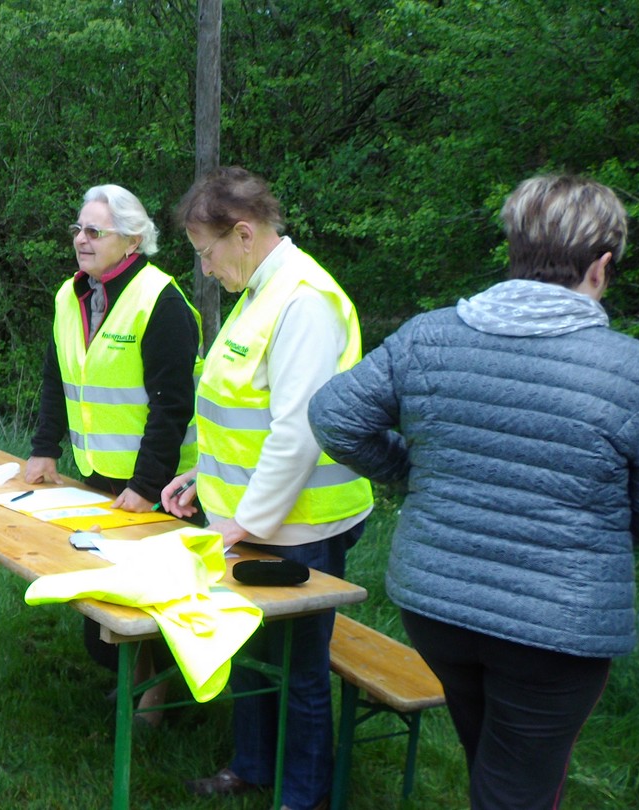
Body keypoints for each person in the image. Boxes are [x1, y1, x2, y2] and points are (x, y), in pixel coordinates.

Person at [309, 174, 639, 809]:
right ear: (601, 267)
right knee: (516, 784)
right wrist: (420, 475)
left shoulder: (428, 338)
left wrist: (418, 476)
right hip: (556, 624)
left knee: (495, 761)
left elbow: (334, 416)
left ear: (514, 248)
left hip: (437, 602)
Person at [162, 166, 373, 810]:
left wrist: (244, 521)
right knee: (251, 653)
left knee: (302, 671)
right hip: (254, 520)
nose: (205, 267)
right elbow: (240, 410)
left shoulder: (304, 300)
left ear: (244, 234)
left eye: (206, 252)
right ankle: (252, 766)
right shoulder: (260, 291)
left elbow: (297, 432)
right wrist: (202, 475)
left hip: (302, 526)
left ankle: (302, 796)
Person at [25, 183, 201, 716]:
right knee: (103, 601)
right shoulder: (69, 295)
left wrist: (146, 487)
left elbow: (172, 408)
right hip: (96, 474)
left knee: (145, 597)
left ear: (131, 239)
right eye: (78, 228)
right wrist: (43, 449)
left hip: (160, 487)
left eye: (93, 231)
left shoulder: (161, 301)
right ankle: (136, 681)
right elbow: (57, 377)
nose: (81, 239)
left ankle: (156, 697)